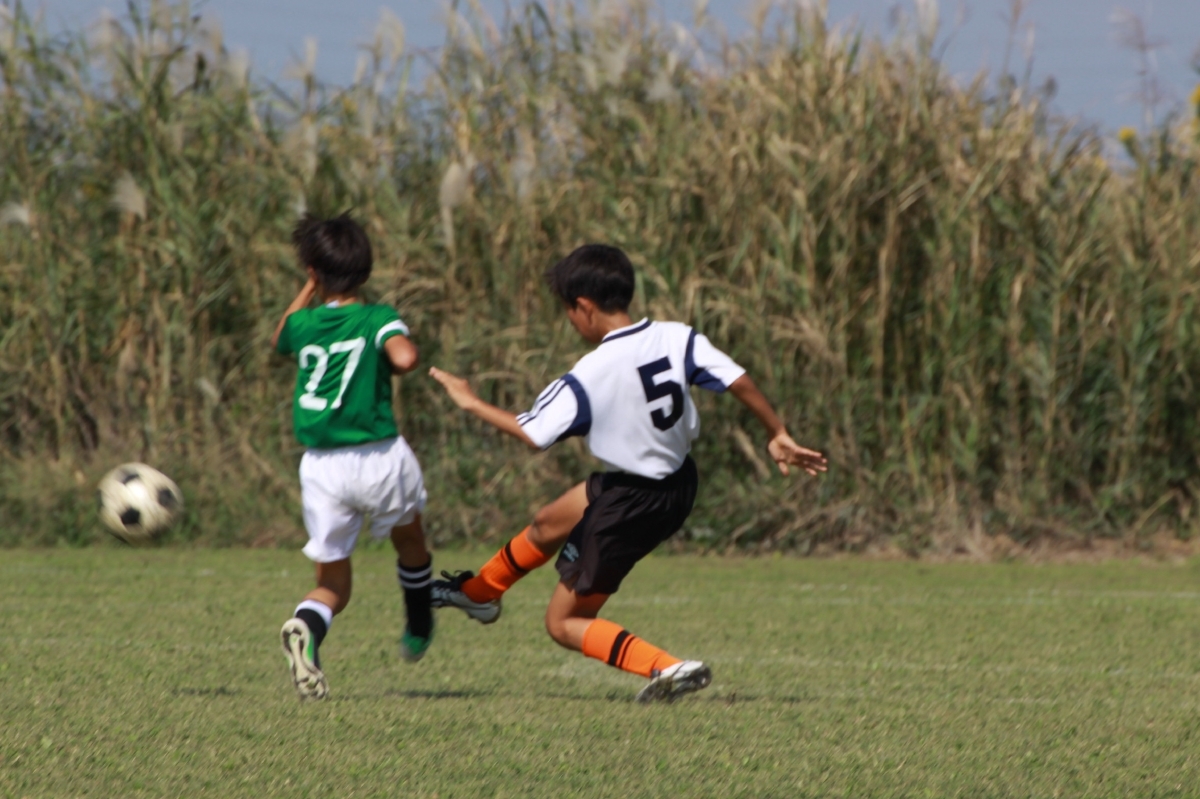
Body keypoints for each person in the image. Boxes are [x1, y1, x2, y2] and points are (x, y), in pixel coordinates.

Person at [428, 244, 826, 702]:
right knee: (547, 522)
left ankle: (668, 668)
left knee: (564, 622)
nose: (571, 322)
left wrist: (471, 402)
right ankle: (480, 592)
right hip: (674, 480)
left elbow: (534, 433)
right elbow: (738, 378)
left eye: (568, 313)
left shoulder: (592, 372)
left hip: (633, 501)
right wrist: (776, 431)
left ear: (584, 307)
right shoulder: (678, 338)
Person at [272, 213, 434, 701]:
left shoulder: (303, 324)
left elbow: (281, 335)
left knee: (333, 584)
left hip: (322, 467)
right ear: (365, 270)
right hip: (378, 456)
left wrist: (309, 286)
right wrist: (394, 357)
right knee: (410, 542)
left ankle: (306, 627)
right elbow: (404, 357)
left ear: (313, 273)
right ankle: (418, 624)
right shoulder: (376, 317)